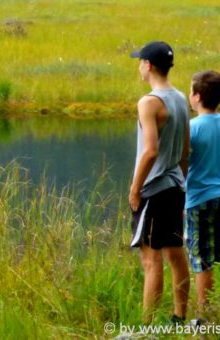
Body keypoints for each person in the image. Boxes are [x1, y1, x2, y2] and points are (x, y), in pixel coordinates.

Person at [128, 41, 190, 324]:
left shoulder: (149, 102)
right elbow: (184, 150)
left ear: (148, 65)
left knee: (151, 260)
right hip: (176, 187)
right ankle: (179, 318)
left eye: (140, 61)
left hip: (153, 190)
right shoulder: (179, 98)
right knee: (176, 255)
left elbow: (150, 150)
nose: (139, 66)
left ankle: (147, 326)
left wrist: (135, 189)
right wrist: (183, 185)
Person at [185, 70, 220, 322]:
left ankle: (203, 320)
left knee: (202, 260)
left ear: (197, 97)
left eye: (190, 91)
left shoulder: (191, 128)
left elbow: (182, 163)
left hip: (199, 200)